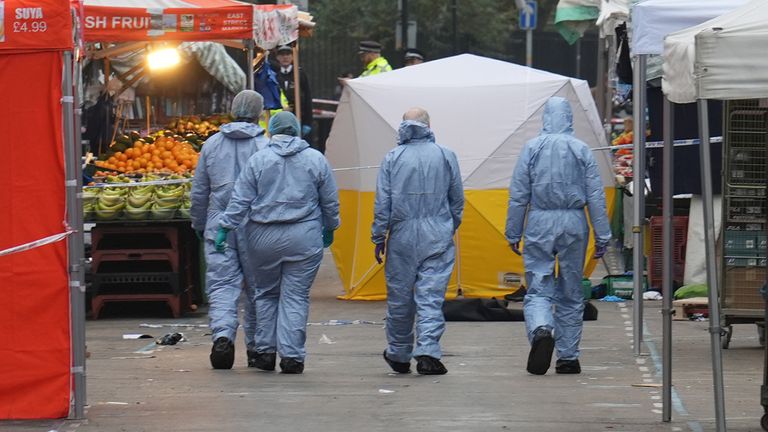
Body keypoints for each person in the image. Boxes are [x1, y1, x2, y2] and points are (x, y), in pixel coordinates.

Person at [217, 111, 340, 374]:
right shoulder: (315, 159)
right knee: (295, 296)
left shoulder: (258, 160)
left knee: (266, 294)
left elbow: (240, 200)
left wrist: (224, 227)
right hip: (303, 236)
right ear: (297, 131)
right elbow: (329, 201)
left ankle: (264, 352)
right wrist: (330, 227)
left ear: (271, 131)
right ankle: (292, 357)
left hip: (262, 238)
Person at [505, 96, 611, 376]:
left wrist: (513, 231)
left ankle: (541, 329)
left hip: (540, 219)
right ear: (569, 118)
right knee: (571, 289)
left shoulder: (531, 148)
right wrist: (602, 234)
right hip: (574, 221)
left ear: (545, 118)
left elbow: (518, 195)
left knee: (539, 286)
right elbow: (595, 196)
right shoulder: (581, 149)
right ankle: (568, 357)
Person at [372, 108, 464, 375]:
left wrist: (379, 235)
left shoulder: (393, 158)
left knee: (400, 297)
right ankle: (427, 351)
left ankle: (399, 353)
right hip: (437, 233)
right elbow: (456, 198)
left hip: (402, 234)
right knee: (430, 298)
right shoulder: (446, 156)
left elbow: (383, 203)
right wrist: (449, 226)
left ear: (403, 126)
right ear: (428, 125)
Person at [190, 90, 268, 370]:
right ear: (259, 112)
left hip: (218, 222)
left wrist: (199, 223)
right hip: (255, 225)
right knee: (258, 288)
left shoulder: (212, 145)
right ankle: (258, 347)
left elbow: (199, 191)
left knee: (222, 285)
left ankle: (222, 335)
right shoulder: (265, 146)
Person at [271, 44, 314, 140]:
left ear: (292, 56)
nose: (285, 57)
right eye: (282, 55)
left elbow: (307, 97)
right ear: (277, 57)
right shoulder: (274, 75)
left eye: (288, 54)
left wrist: (308, 122)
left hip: (299, 117)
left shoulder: (299, 74)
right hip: (281, 119)